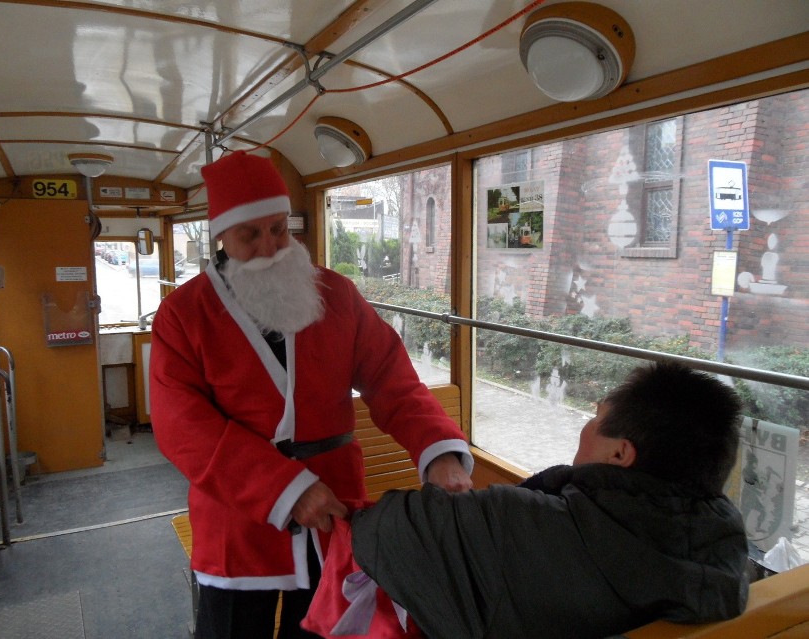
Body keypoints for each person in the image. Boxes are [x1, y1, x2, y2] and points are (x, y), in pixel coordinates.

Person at [149, 150, 473, 639]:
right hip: (237, 520)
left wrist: (439, 454)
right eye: (250, 235)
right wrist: (285, 489)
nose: (270, 247)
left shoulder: (336, 296)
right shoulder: (183, 316)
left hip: (335, 512)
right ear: (220, 237)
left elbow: (393, 381)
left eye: (279, 229)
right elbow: (183, 427)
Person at [349, 362, 749, 639]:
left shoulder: (516, 524)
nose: (586, 427)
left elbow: (382, 531)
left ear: (620, 455)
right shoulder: (723, 551)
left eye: (595, 418)